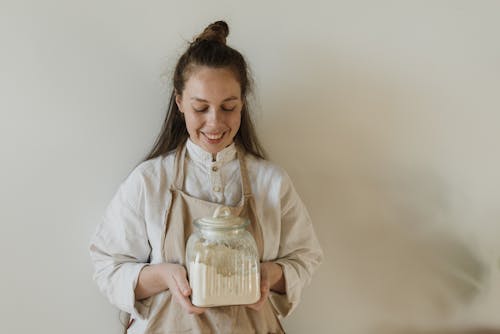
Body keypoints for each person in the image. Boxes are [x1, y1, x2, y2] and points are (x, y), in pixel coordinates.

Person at [89, 20, 323, 334]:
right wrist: (165, 276)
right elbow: (108, 265)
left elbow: (305, 256)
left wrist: (270, 274)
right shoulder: (149, 181)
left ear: (243, 104)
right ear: (179, 102)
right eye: (201, 108)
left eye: (229, 107)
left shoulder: (272, 182)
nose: (214, 123)